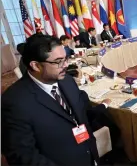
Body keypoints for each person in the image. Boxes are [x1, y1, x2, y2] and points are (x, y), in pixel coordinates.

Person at [1, 35, 111, 165]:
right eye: (58, 61)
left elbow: (82, 115)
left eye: (65, 59)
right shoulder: (14, 102)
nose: (66, 65)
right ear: (36, 66)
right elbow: (23, 156)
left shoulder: (67, 81)